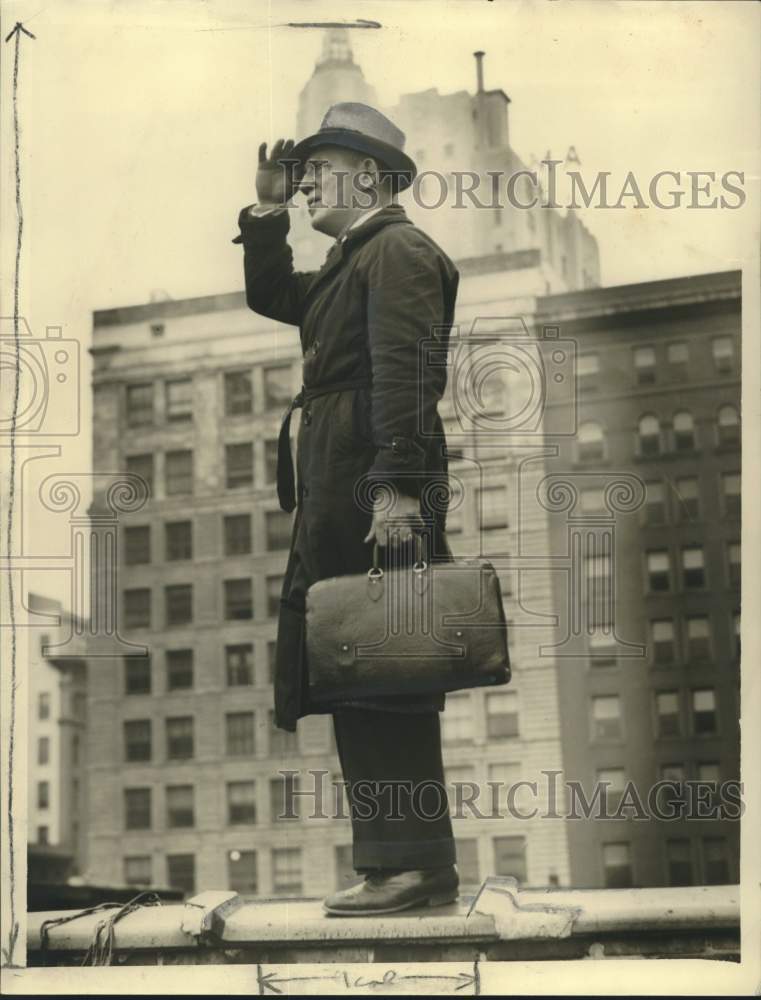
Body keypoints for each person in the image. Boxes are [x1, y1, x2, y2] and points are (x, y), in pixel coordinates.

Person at [232, 103, 461, 915]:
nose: (302, 186)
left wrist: (395, 486)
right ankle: (390, 862)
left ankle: (415, 865)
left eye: (314, 171)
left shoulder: (396, 250)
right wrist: (263, 211)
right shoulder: (351, 259)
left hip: (373, 482)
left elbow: (407, 370)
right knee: (353, 667)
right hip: (342, 474)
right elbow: (273, 294)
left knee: (387, 672)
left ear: (367, 175)